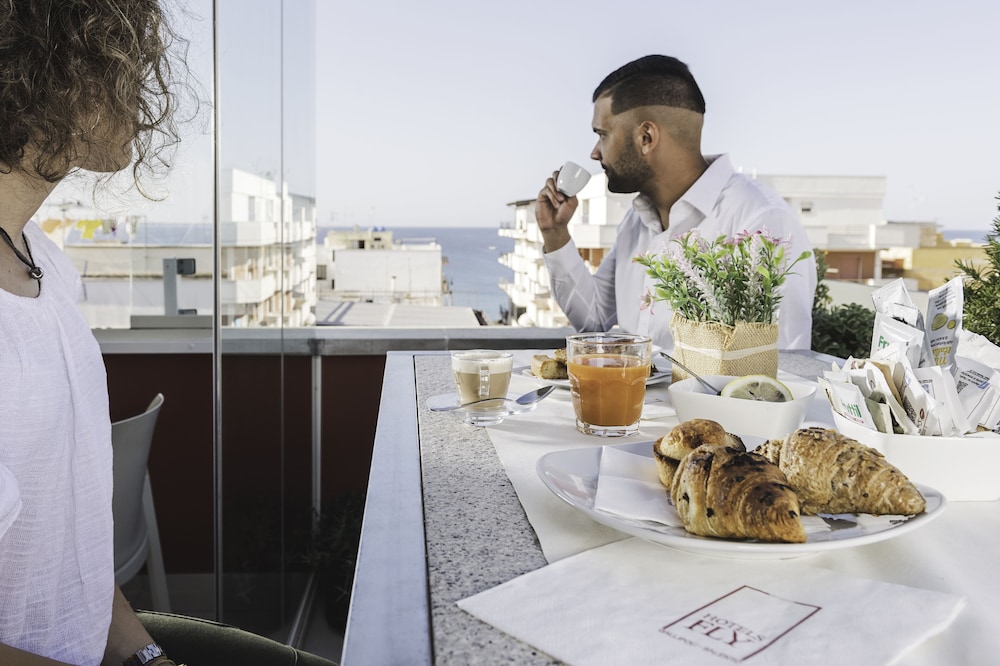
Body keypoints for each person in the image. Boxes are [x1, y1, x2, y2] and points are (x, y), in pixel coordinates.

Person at [0, 2, 334, 665]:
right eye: (123, 56)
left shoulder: (46, 265)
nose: (148, 88)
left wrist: (147, 657)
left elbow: (69, 559)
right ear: (47, 68)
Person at [536, 54, 817, 350]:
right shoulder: (635, 222)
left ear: (646, 137)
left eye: (603, 135)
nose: (595, 152)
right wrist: (555, 233)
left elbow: (780, 362)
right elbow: (594, 320)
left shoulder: (760, 219)